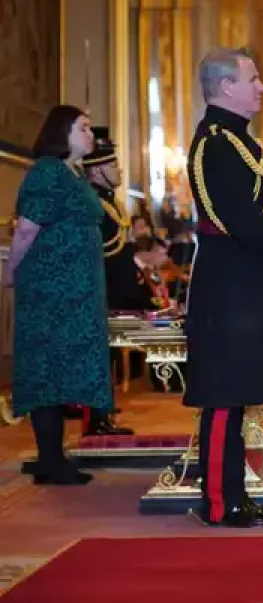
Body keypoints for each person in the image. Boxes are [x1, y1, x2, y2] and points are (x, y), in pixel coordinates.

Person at [185, 47, 263, 527]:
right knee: (223, 394)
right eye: (253, 79)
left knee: (236, 393)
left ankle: (234, 496)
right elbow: (238, 216)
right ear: (226, 87)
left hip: (248, 282)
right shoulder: (214, 143)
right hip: (229, 285)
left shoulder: (237, 142)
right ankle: (220, 502)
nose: (261, 87)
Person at [1, 105, 111, 485]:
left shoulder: (72, 173)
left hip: (74, 291)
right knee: (47, 367)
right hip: (51, 290)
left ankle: (52, 455)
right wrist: (10, 270)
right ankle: (50, 460)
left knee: (62, 367)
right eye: (82, 128)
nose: (90, 135)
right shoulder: (48, 171)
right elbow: (28, 228)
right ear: (61, 132)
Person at [80, 127, 136, 436]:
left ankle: (103, 415)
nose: (119, 171)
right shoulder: (93, 204)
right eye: (113, 165)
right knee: (99, 355)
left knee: (108, 355)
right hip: (102, 289)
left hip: (116, 290)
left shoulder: (110, 203)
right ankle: (97, 419)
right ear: (98, 168)